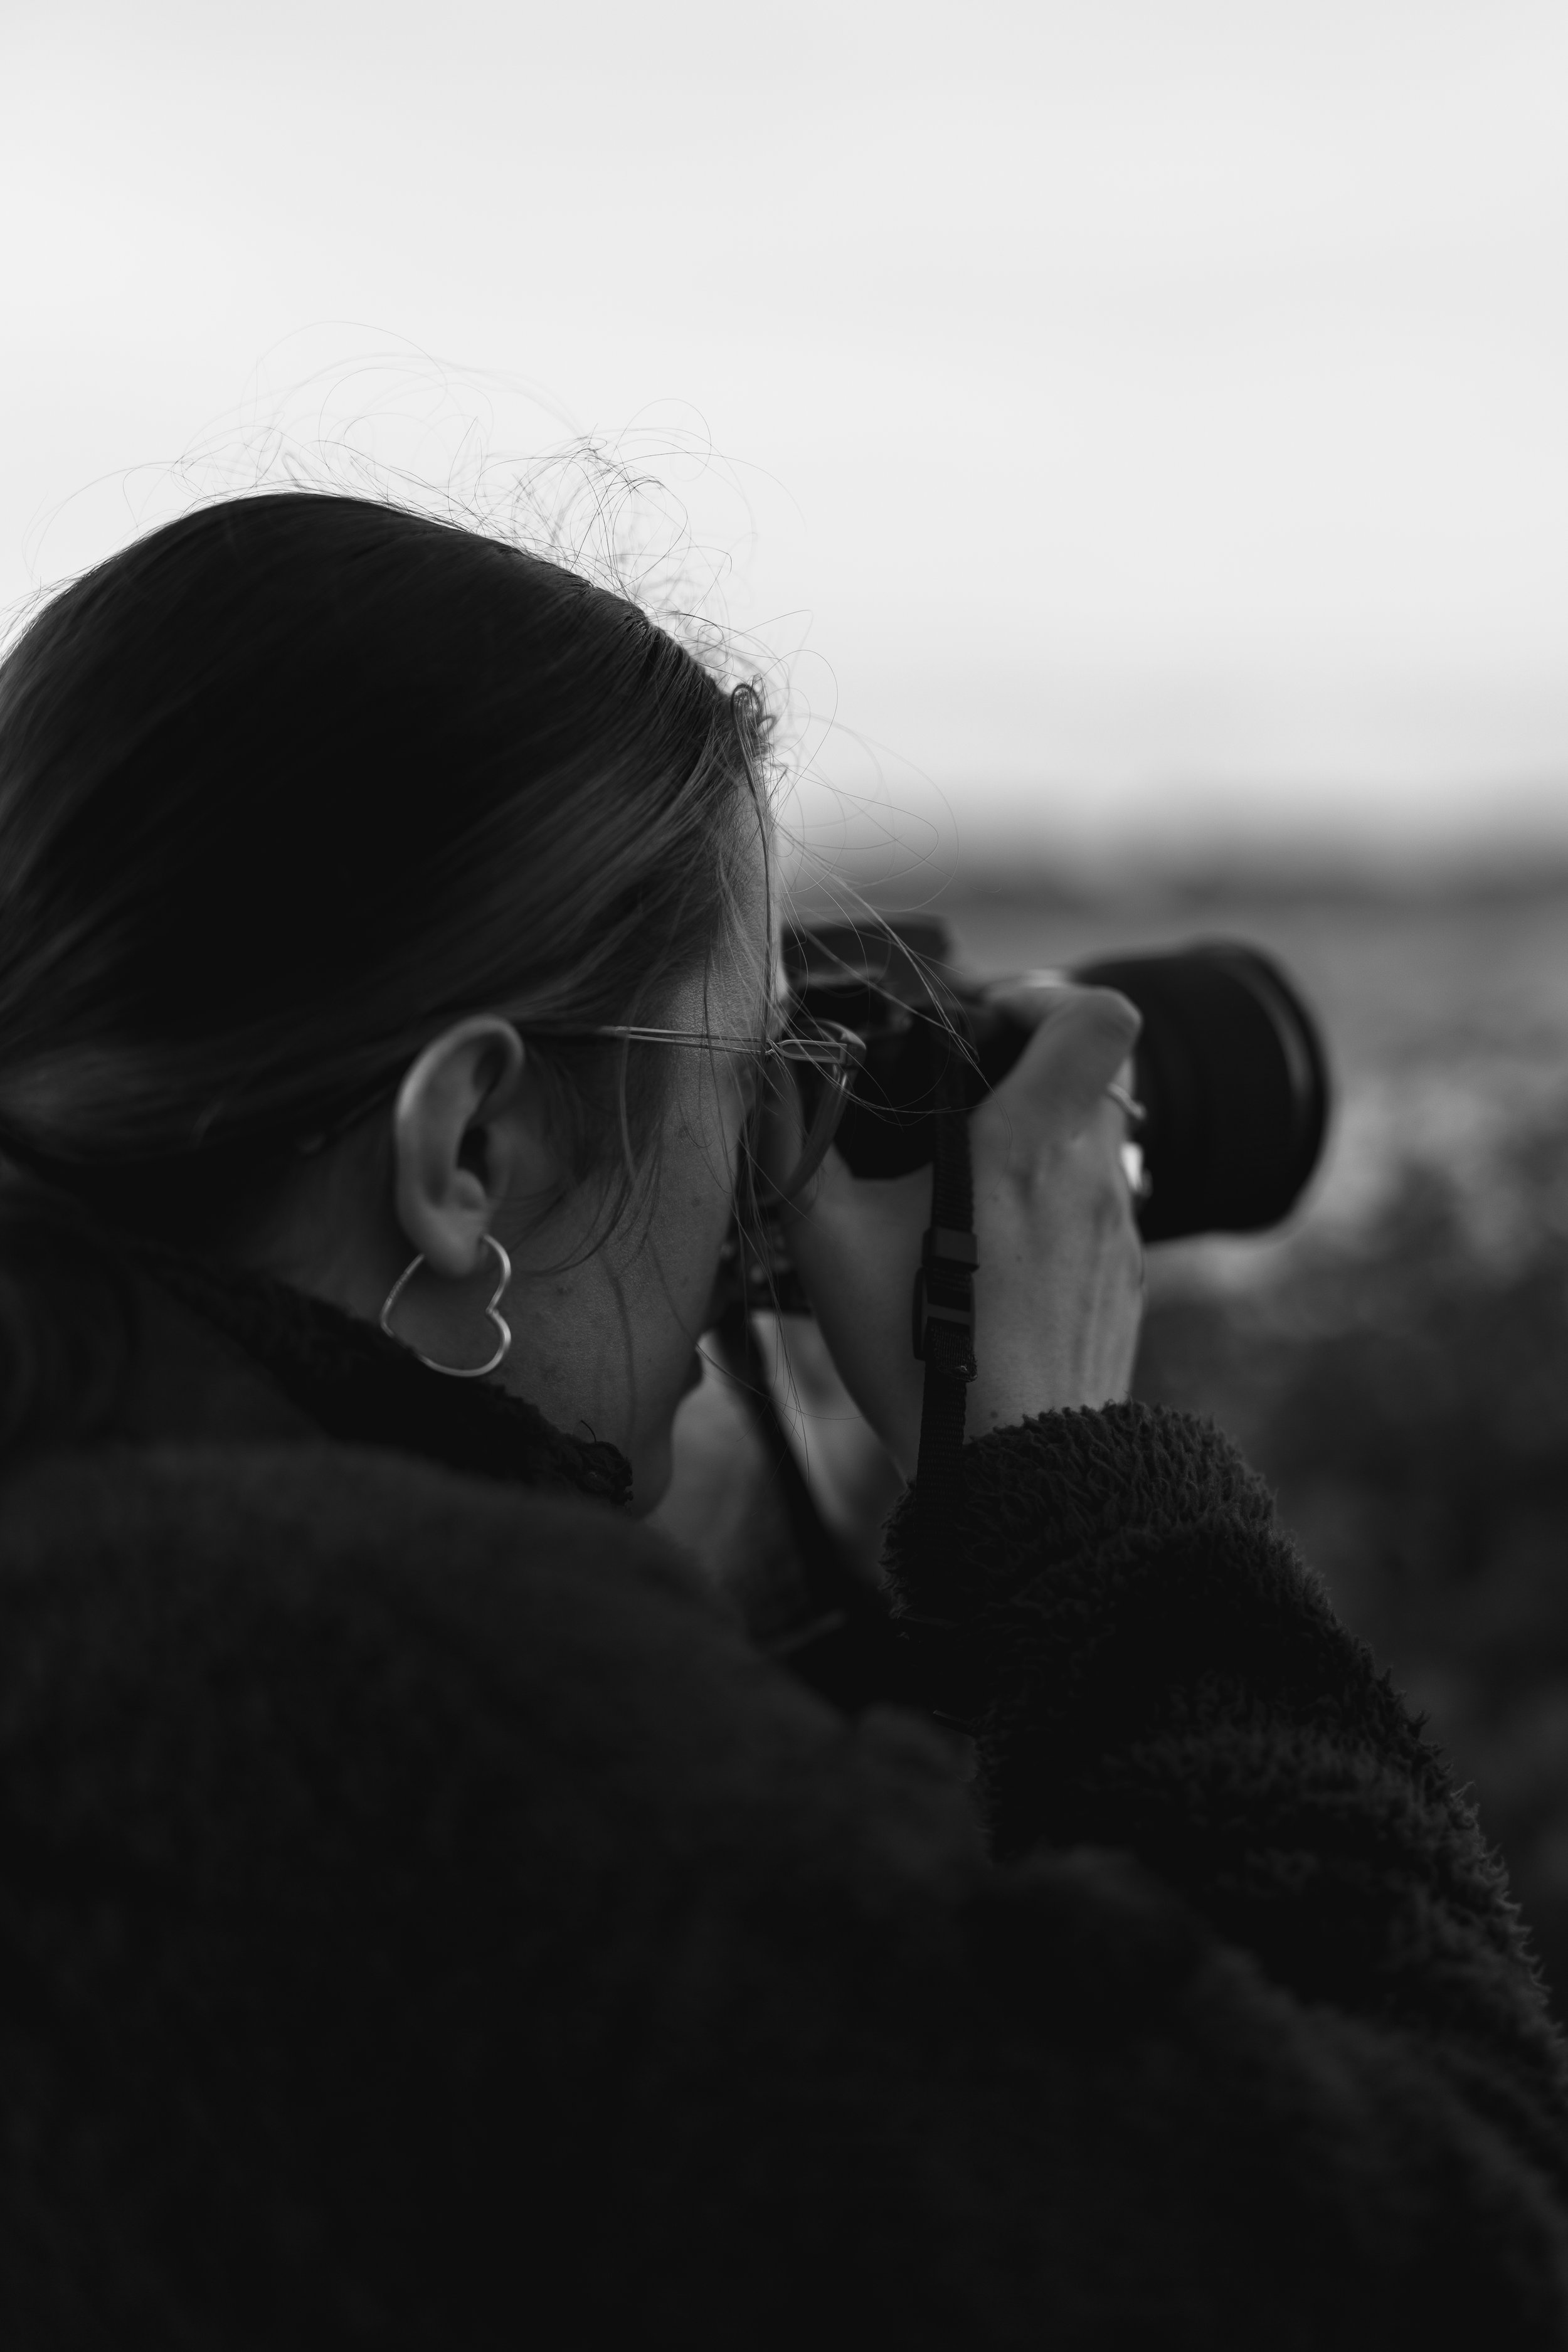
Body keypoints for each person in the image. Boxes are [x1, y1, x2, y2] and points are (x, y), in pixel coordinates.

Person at [0, 489, 1562, 2349]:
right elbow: (1448, 2254)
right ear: (467, 1150)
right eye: (749, 1084)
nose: (770, 1179)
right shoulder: (422, 1701)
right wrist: (1066, 1486)